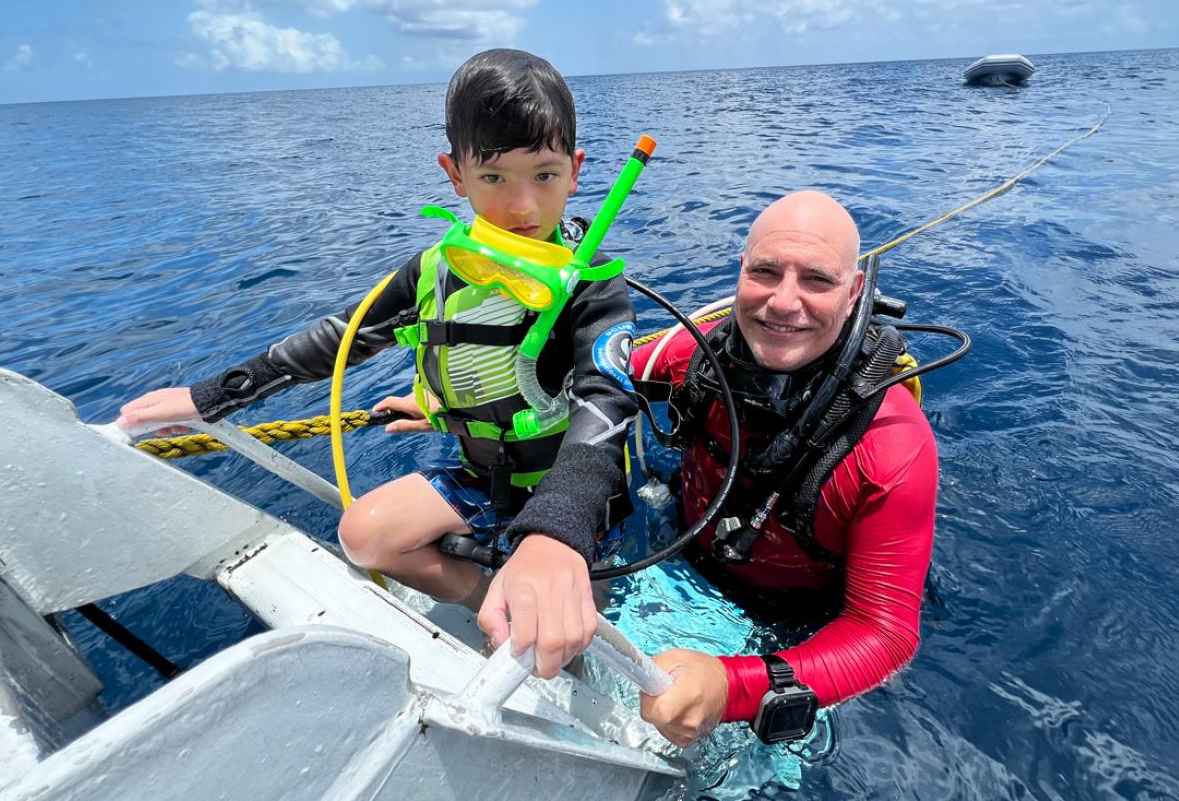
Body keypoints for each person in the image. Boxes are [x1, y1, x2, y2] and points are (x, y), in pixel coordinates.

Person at [117, 49, 639, 678]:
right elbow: (342, 338)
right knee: (364, 534)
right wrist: (216, 395)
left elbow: (606, 402)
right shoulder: (432, 272)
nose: (523, 206)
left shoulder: (594, 284)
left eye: (546, 176)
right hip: (483, 481)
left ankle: (547, 602)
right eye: (495, 178)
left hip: (573, 501)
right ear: (455, 174)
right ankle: (486, 597)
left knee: (573, 644)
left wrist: (557, 533)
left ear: (577, 171)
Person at [632, 191, 940, 747]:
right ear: (740, 273)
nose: (782, 302)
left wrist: (733, 685)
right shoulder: (696, 355)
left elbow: (884, 633)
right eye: (766, 272)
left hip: (800, 628)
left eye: (817, 280)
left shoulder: (893, 446)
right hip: (682, 557)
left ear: (853, 295)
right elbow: (597, 376)